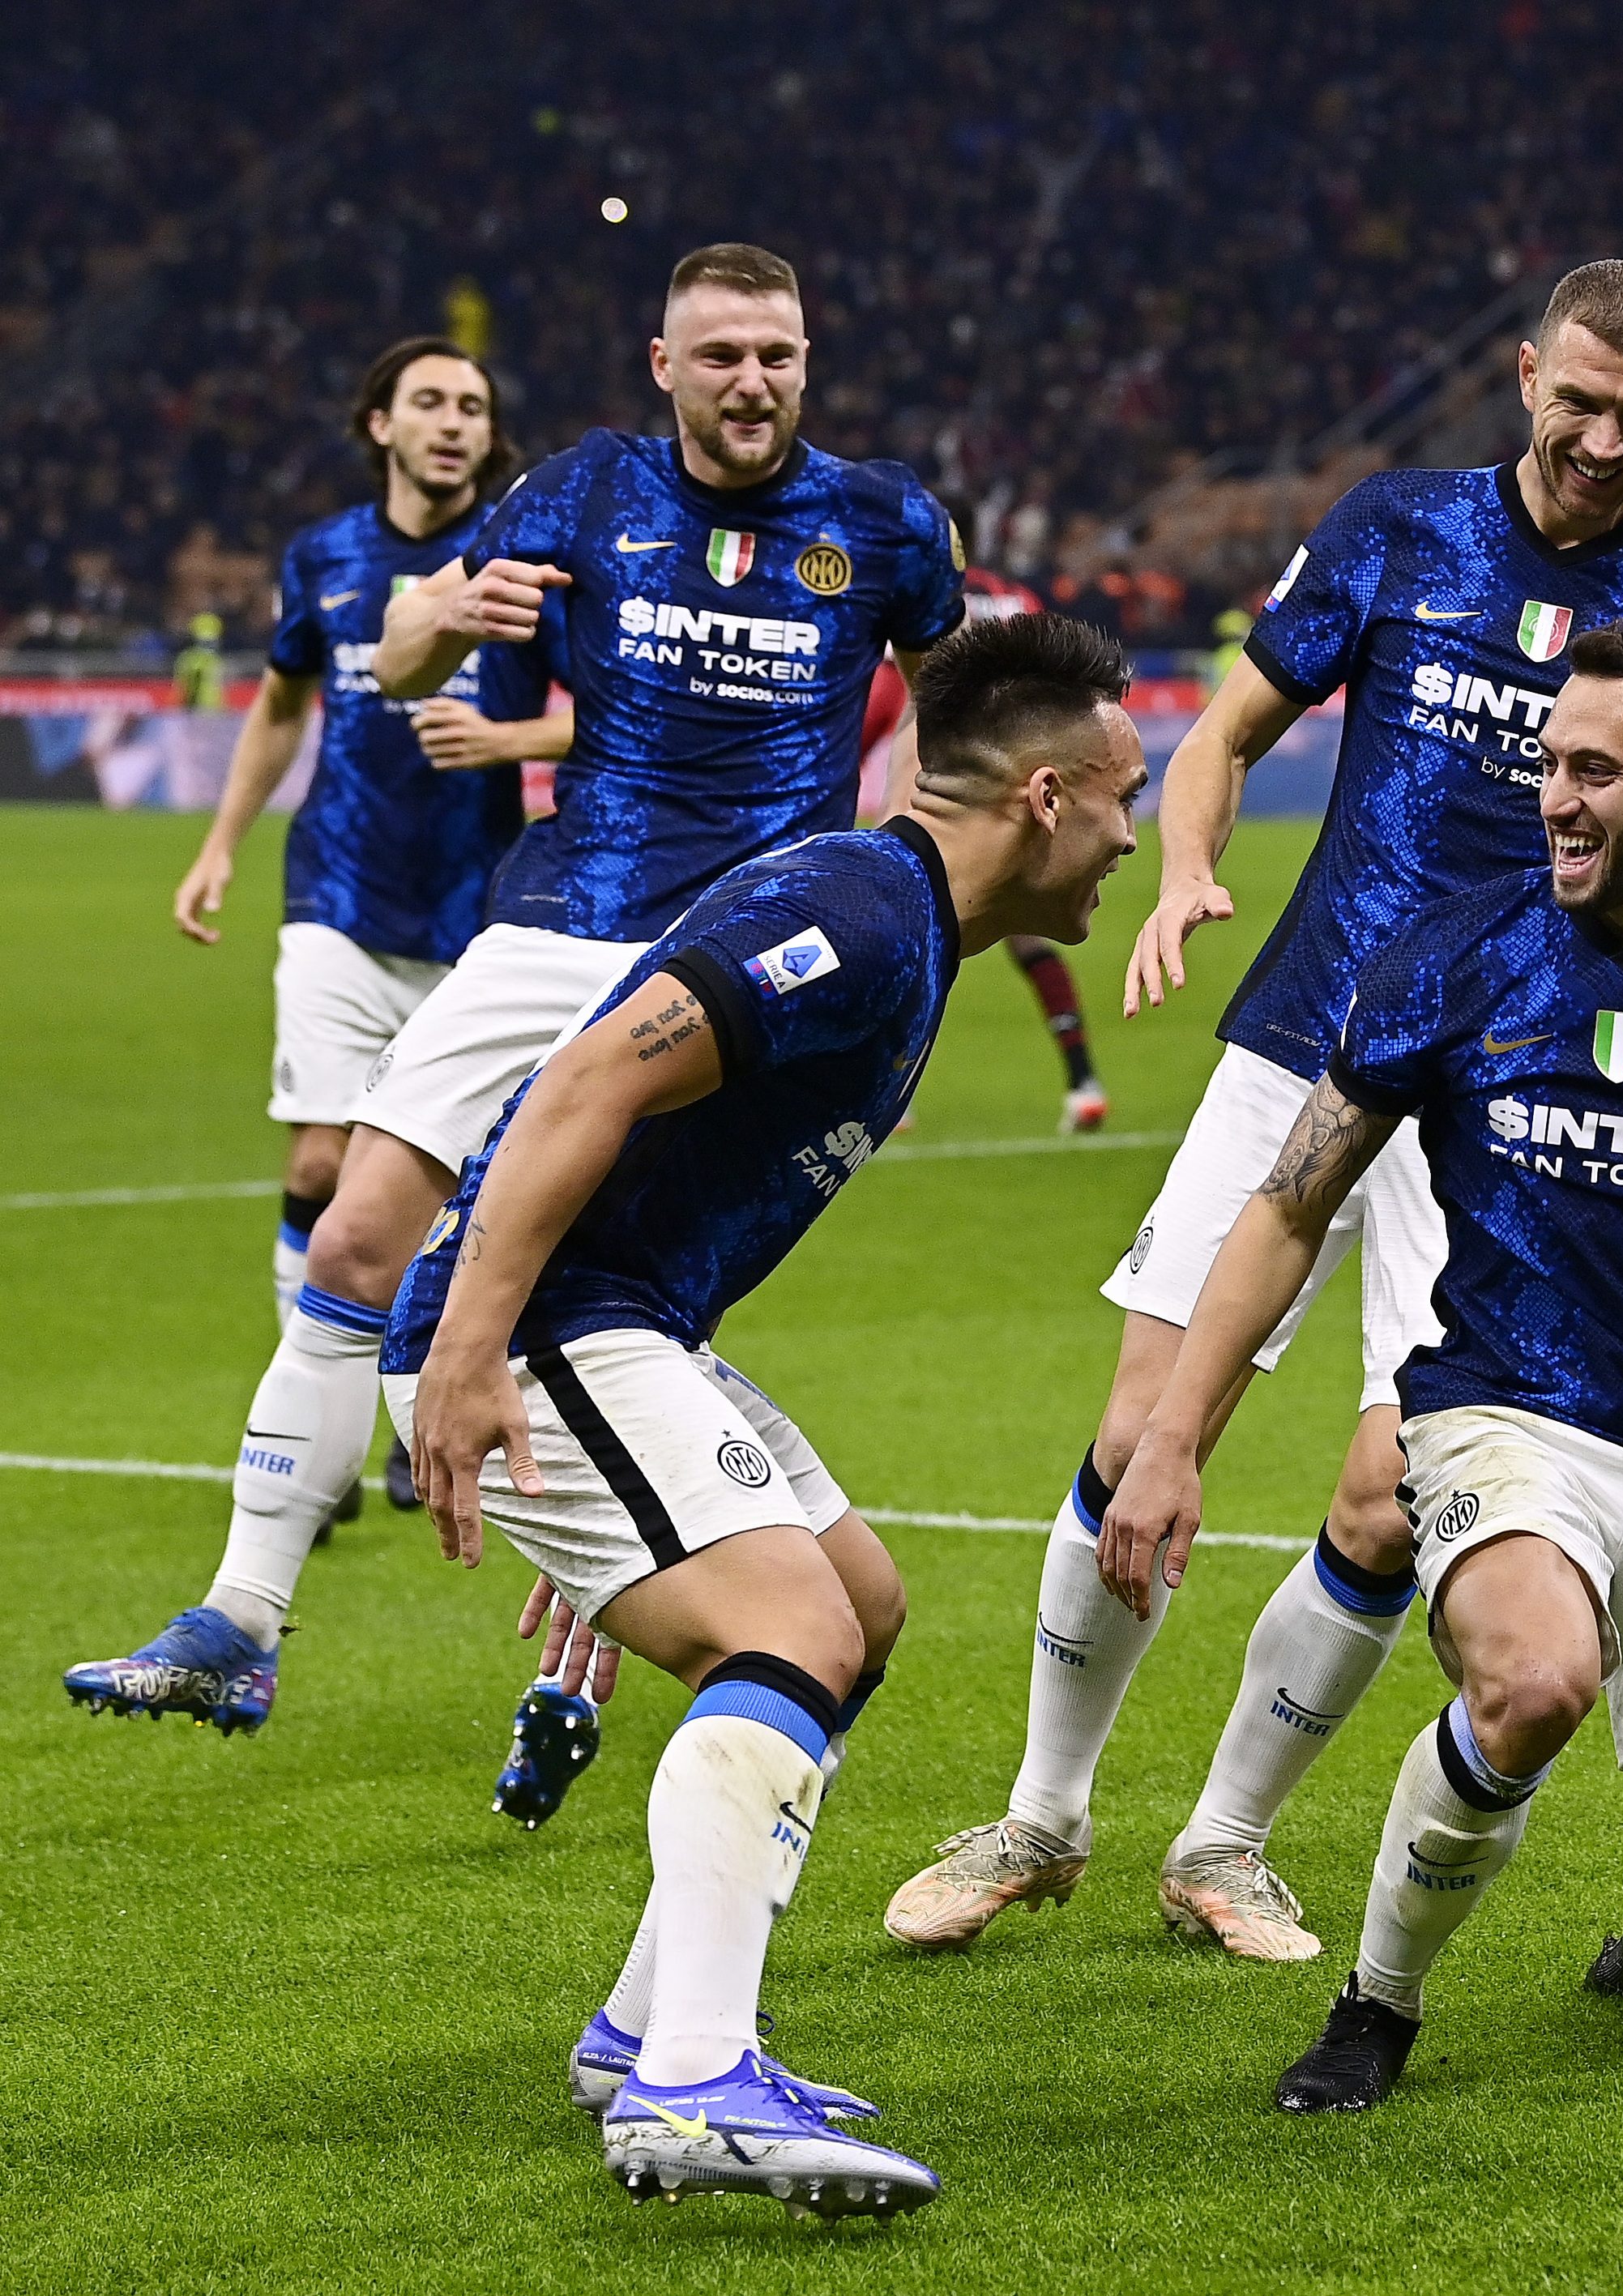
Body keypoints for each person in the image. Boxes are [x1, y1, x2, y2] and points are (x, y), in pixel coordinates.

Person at [886, 258, 1623, 1963]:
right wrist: (1187, 870)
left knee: (1390, 1491)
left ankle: (1223, 1845)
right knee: (1145, 1429)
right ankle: (1040, 1815)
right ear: (1528, 374)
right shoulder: (1396, 527)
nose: (1603, 441)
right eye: (1580, 403)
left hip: (1510, 1098)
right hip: (1310, 1033)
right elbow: (1224, 734)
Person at [64, 243, 963, 1773]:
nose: (754, 381)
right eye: (723, 354)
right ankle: (240, 1618)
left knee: (614, 1305)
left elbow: (954, 717)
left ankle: (596, 1657)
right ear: (664, 365)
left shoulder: (884, 521)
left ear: (808, 361)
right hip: (560, 923)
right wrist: (445, 618)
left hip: (740, 963)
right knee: (354, 1238)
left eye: (779, 353)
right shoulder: (583, 489)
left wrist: (894, 880)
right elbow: (400, 653)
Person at [1103, 618, 1623, 2110]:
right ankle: (1377, 2002)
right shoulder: (1457, 953)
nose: (1553, 796)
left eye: (1595, 770)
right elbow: (1288, 1204)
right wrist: (1171, 1435)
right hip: (1500, 1412)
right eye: (1549, 762)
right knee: (1535, 1682)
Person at [387, 612, 1143, 2217]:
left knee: (856, 1602)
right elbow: (589, 1079)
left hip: (621, 1328)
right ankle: (692, 2082)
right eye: (1124, 796)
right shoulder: (856, 908)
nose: (1133, 837)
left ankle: (645, 2030)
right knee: (788, 1623)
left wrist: (646, 1498)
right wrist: (472, 1351)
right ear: (1048, 794)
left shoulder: (909, 923)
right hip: (548, 1322)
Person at [168, 336, 556, 1395]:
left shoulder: (527, 558)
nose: (452, 423)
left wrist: (508, 740)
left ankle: (416, 1398)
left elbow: (620, 716)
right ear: (381, 424)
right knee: (317, 1158)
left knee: (446, 1181)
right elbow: (281, 706)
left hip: (480, 912)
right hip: (336, 889)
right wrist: (219, 845)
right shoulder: (324, 555)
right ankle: (312, 1413)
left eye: (471, 407)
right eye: (429, 401)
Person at [861, 549, 1112, 1131]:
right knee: (1029, 937)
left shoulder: (919, 603)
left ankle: (887, 1089)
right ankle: (1083, 1082)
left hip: (940, 809)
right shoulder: (1014, 600)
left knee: (909, 938)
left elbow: (885, 705)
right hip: (1019, 797)